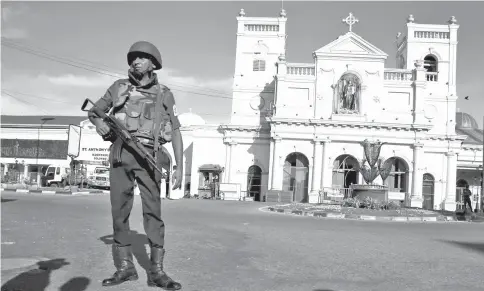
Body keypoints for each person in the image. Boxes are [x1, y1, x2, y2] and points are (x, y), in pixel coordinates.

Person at [88, 41, 183, 290]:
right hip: (121, 153)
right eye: (133, 58)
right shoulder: (118, 88)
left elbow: (175, 130)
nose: (135, 62)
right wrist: (99, 124)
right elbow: (95, 112)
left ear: (154, 64)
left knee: (153, 212)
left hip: (150, 156)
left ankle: (157, 272)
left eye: (142, 58)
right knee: (119, 211)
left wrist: (180, 167)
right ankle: (125, 269)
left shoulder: (165, 93)